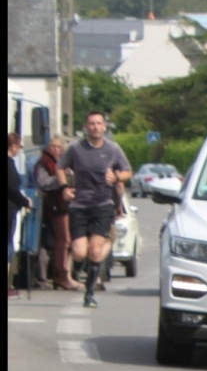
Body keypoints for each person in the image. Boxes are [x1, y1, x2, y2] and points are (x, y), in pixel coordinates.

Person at [57, 111, 133, 308]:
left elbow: (128, 171)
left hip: (102, 205)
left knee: (95, 250)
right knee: (79, 253)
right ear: (86, 127)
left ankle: (89, 293)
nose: (95, 127)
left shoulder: (113, 149)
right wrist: (65, 187)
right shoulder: (75, 149)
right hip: (80, 206)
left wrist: (116, 177)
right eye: (91, 124)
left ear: (105, 127)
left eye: (99, 124)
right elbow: (60, 167)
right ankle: (80, 268)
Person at [33, 136, 80, 290]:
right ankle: (60, 275)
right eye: (52, 146)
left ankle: (65, 274)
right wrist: (61, 179)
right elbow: (43, 183)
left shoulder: (62, 162)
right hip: (54, 207)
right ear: (48, 148)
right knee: (63, 240)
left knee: (68, 240)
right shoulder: (44, 162)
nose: (55, 149)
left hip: (66, 205)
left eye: (58, 147)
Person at [7, 133, 33, 298]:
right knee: (8, 248)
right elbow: (11, 188)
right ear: (14, 146)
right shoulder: (9, 164)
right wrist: (25, 201)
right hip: (9, 209)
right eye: (19, 146)